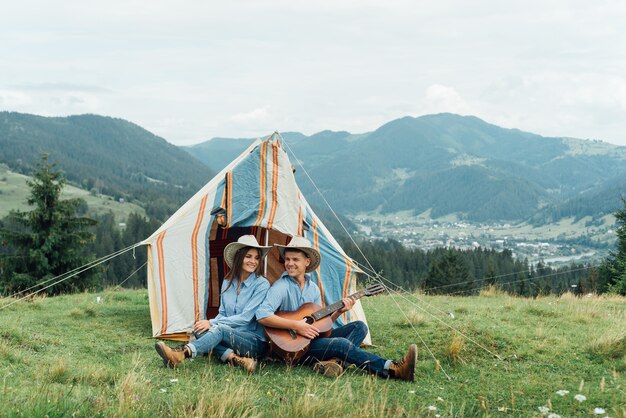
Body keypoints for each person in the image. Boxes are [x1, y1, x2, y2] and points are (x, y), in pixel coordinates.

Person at [256, 236, 417, 381]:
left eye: (295, 260)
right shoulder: (281, 287)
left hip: (312, 340)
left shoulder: (312, 288)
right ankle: (392, 368)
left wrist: (339, 311)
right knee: (340, 344)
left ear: (307, 262)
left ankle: (332, 362)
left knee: (359, 327)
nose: (290, 263)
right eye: (287, 259)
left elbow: (321, 326)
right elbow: (262, 315)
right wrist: (297, 326)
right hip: (294, 349)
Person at [155, 235, 271, 373]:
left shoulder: (262, 284)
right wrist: (211, 324)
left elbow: (245, 318)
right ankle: (236, 359)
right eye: (248, 256)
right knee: (199, 330)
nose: (253, 261)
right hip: (229, 336)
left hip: (253, 342)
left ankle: (181, 354)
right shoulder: (227, 282)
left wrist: (212, 323)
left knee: (217, 329)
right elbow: (222, 313)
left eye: (256, 257)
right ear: (239, 258)